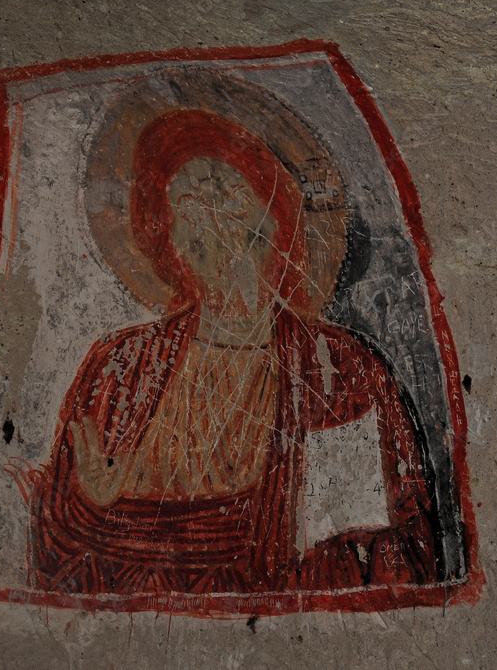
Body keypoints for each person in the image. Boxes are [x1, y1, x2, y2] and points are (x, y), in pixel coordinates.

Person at [29, 109, 439, 600]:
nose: (204, 224)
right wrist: (96, 506)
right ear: (168, 238)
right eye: (185, 208)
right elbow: (56, 538)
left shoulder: (340, 370)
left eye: (225, 200)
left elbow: (394, 546)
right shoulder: (123, 368)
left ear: (273, 219)